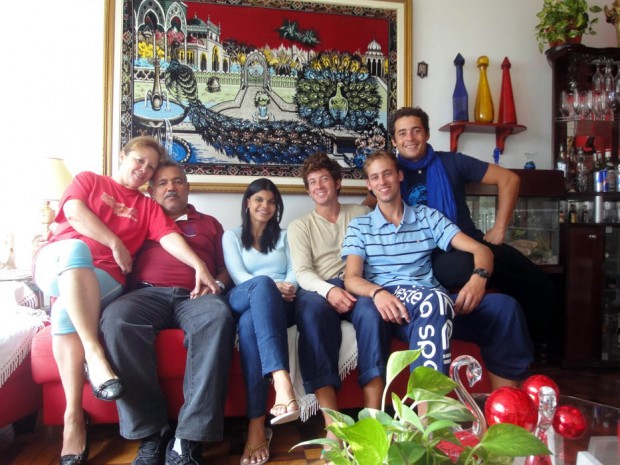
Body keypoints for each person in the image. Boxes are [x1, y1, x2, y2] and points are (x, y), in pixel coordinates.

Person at [33, 136, 219, 465]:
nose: (144, 170)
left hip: (111, 279)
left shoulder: (148, 208)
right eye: (140, 161)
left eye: (150, 167)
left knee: (63, 312)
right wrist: (114, 242)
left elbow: (169, 236)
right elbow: (73, 211)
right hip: (69, 264)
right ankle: (105, 369)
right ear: (123, 155)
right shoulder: (89, 180)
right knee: (79, 255)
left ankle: (75, 417)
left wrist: (199, 266)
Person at [370, 106, 556, 348]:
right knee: (462, 267)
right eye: (402, 133)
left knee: (533, 277)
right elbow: (372, 204)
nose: (410, 138)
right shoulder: (391, 174)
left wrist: (499, 228)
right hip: (431, 254)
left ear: (427, 134)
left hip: (469, 241)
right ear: (394, 140)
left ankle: (542, 344)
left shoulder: (452, 162)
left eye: (416, 130)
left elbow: (509, 179)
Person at [345, 150, 533, 386]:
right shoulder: (360, 226)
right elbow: (351, 278)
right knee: (434, 301)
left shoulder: (427, 216)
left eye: (387, 174)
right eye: (375, 177)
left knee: (504, 308)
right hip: (393, 307)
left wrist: (478, 279)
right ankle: (428, 407)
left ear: (400, 176)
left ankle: (502, 402)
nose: (382, 181)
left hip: (434, 299)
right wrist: (377, 293)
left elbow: (481, 250)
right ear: (369, 185)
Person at [100, 161, 235, 465]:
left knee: (217, 318)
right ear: (150, 190)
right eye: (162, 183)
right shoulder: (137, 219)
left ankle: (189, 437)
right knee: (117, 320)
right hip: (145, 294)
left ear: (188, 187)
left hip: (196, 295)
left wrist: (217, 286)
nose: (171, 187)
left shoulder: (209, 223)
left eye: (177, 181)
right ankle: (152, 433)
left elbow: (225, 268)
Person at [288, 152, 385, 439]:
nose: (319, 186)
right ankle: (334, 424)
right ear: (308, 191)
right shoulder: (299, 226)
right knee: (311, 315)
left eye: (324, 179)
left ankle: (373, 419)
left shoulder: (361, 214)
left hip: (357, 284)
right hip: (318, 288)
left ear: (338, 182)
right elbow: (302, 272)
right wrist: (329, 290)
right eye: (312, 182)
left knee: (372, 314)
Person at [222, 178, 300, 465]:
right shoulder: (231, 236)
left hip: (281, 303)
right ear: (247, 203)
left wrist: (288, 286)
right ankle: (281, 380)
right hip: (243, 296)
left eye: (271, 201)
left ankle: (256, 425)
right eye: (258, 199)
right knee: (262, 285)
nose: (265, 206)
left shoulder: (286, 236)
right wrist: (270, 285)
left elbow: (295, 270)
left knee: (247, 327)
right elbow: (239, 275)